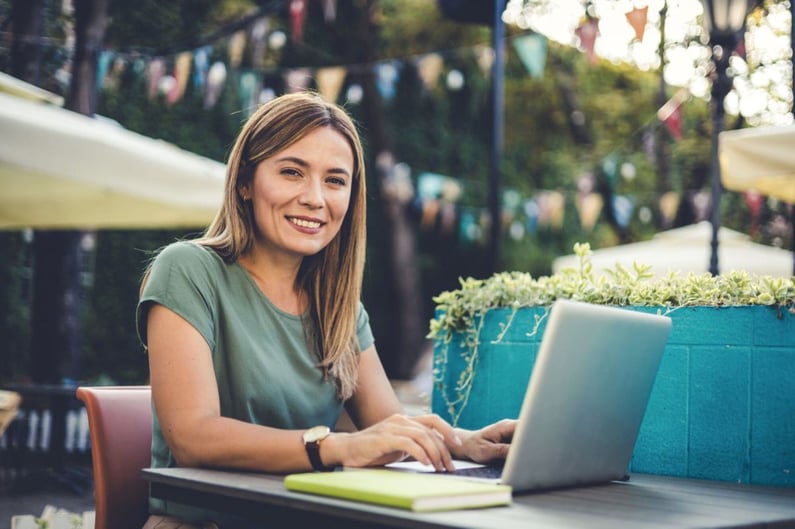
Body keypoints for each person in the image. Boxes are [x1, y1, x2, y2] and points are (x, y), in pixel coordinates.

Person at [137, 91, 516, 529]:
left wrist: (463, 442)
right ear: (245, 182)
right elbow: (193, 437)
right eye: (292, 172)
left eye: (335, 180)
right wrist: (336, 446)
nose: (315, 198)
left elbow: (386, 424)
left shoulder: (339, 306)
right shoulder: (187, 270)